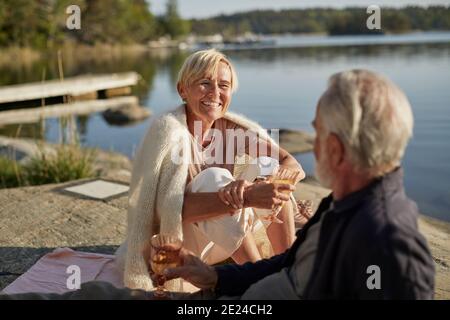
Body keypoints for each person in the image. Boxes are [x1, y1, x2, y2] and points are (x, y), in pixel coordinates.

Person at [1, 69, 435, 300]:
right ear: (183, 89)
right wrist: (211, 276)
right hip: (226, 284)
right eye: (204, 83)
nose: (312, 143)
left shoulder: (388, 241)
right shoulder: (343, 209)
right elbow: (285, 271)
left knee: (95, 299)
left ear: (337, 151)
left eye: (318, 133)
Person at [115, 49, 305, 292]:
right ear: (182, 90)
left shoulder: (231, 128)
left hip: (223, 237)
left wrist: (262, 184)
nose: (215, 93)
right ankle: (261, 283)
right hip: (181, 244)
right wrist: (244, 197)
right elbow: (165, 212)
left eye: (223, 85)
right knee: (214, 178)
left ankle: (288, 267)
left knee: (270, 167)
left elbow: (291, 163)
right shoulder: (169, 132)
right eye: (205, 83)